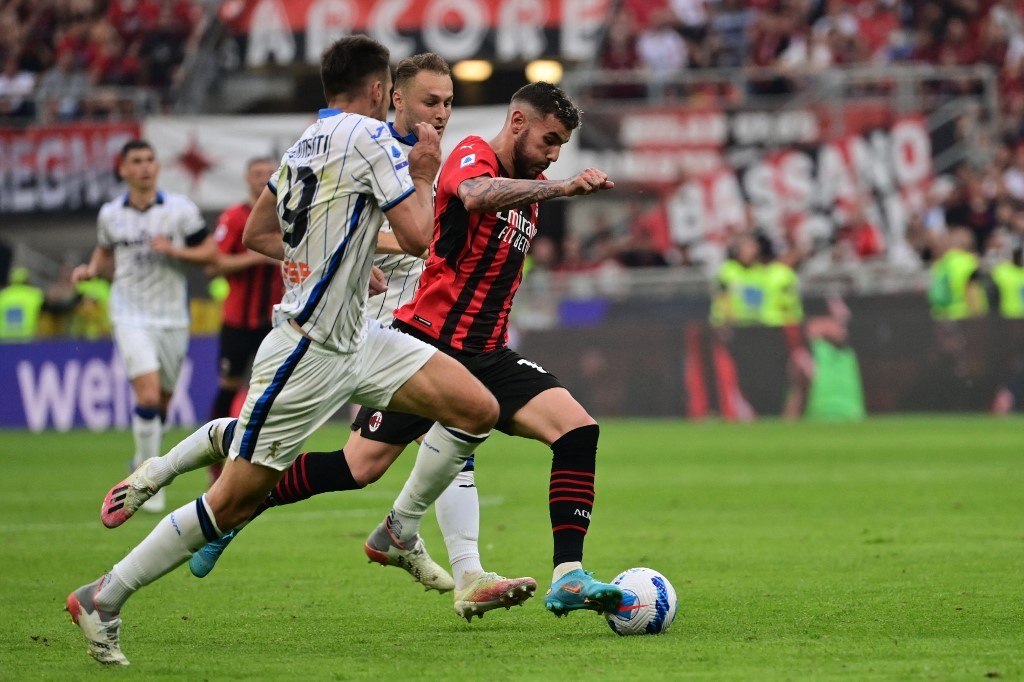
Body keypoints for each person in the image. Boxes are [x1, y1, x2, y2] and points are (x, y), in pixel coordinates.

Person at [67, 35, 499, 666]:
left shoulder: (306, 140)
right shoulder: (375, 138)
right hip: (309, 350)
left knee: (476, 408)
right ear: (381, 90)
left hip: (360, 336)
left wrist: (343, 263)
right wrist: (427, 174)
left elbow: (258, 232)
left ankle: (400, 530)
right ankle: (104, 595)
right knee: (235, 498)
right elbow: (416, 240)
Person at [186, 53, 538, 622]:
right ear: (392, 96)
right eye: (431, 101)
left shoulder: (438, 158)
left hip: (413, 324)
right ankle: (236, 502)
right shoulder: (366, 150)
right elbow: (276, 234)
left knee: (391, 454)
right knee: (403, 445)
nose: (442, 114)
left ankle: (432, 553)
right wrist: (360, 252)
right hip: (359, 326)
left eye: (449, 103)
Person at [71, 139, 217, 514]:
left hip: (172, 317)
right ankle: (149, 484)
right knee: (148, 396)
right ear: (123, 170)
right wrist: (90, 271)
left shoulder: (180, 210)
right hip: (129, 314)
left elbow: (209, 254)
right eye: (136, 161)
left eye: (150, 159)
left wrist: (175, 251)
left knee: (163, 401)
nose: (145, 167)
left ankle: (141, 456)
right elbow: (105, 253)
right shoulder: (111, 214)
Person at [205, 156, 283, 482]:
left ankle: (261, 460)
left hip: (274, 320)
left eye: (270, 173)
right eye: (257, 174)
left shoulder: (288, 214)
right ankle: (213, 462)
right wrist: (256, 257)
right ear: (247, 179)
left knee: (272, 390)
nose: (264, 178)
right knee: (228, 386)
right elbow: (214, 264)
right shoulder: (235, 217)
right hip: (238, 319)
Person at [0, 267, 45, 342]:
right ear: (27, 281)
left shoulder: (3, 295)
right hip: (26, 339)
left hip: (3, 341)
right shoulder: (35, 295)